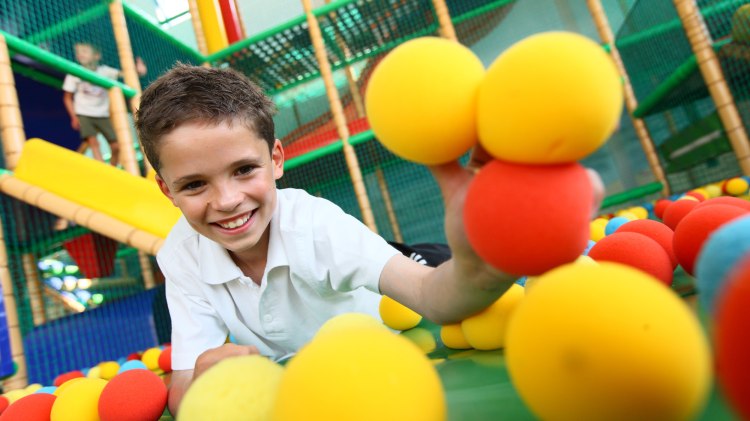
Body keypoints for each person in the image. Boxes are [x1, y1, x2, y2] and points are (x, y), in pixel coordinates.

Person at [135, 64, 603, 415]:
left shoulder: (314, 226)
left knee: (436, 262)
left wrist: (486, 261)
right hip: (327, 356)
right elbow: (183, 395)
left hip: (396, 279)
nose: (227, 200)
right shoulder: (180, 254)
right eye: (195, 185)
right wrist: (202, 381)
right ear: (166, 190)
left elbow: (431, 297)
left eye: (244, 170)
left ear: (276, 159)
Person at [62, 41, 147, 167]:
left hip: (102, 114)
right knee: (94, 143)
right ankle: (101, 167)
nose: (80, 55)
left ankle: (112, 168)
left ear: (96, 56)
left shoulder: (105, 71)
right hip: (83, 112)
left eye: (84, 51)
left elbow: (123, 74)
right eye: (78, 52)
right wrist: (74, 116)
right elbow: (67, 97)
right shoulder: (74, 73)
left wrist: (138, 71)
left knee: (116, 146)